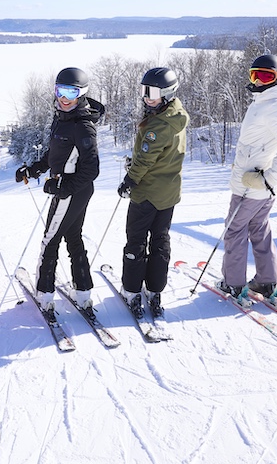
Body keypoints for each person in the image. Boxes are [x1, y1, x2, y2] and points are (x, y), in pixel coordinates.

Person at [15, 67, 103, 314]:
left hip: (73, 191)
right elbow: (55, 155)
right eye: (60, 91)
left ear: (81, 93)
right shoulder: (62, 118)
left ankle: (44, 294)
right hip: (72, 190)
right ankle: (83, 292)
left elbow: (92, 169)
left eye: (71, 92)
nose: (64, 98)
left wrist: (64, 186)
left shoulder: (82, 127)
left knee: (50, 240)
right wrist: (34, 169)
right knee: (73, 237)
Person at [218, 54, 277, 307]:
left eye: (265, 76)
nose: (258, 81)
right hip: (259, 187)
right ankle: (266, 281)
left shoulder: (274, 105)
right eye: (254, 75)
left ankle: (233, 284)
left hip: (251, 186)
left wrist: (267, 179)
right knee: (259, 230)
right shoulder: (268, 101)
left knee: (235, 231)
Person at [117, 67, 189, 319]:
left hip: (146, 194)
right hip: (168, 193)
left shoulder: (157, 126)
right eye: (144, 91)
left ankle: (132, 290)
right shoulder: (177, 115)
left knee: (136, 240)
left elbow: (146, 160)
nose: (148, 97)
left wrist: (129, 179)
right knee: (160, 239)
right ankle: (155, 289)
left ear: (167, 93)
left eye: (154, 93)